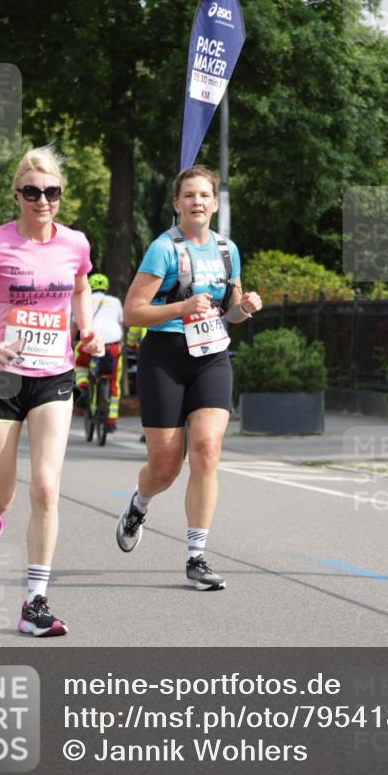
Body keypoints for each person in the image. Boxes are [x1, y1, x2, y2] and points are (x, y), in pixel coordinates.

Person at [0, 146, 103, 637]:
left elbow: (80, 287)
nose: (42, 200)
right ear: (16, 194)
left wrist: (87, 328)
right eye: (32, 191)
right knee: (1, 494)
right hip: (1, 375)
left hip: (53, 374)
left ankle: (35, 601)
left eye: (51, 191)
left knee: (47, 487)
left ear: (60, 195)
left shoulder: (75, 243)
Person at [119, 164, 262, 590]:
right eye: (189, 195)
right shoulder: (163, 249)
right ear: (177, 204)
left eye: (204, 195)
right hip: (164, 356)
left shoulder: (227, 250)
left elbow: (229, 312)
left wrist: (244, 308)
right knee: (164, 467)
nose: (197, 202)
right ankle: (138, 505)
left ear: (215, 203)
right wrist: (181, 308)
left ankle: (196, 556)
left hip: (211, 356)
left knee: (206, 450)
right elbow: (132, 313)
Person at [74, 273, 124, 433]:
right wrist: (121, 344)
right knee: (114, 382)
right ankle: (111, 421)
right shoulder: (115, 301)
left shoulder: (84, 298)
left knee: (80, 363)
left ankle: (83, 386)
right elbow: (120, 325)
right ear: (107, 288)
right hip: (112, 346)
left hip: (89, 344)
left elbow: (75, 325)